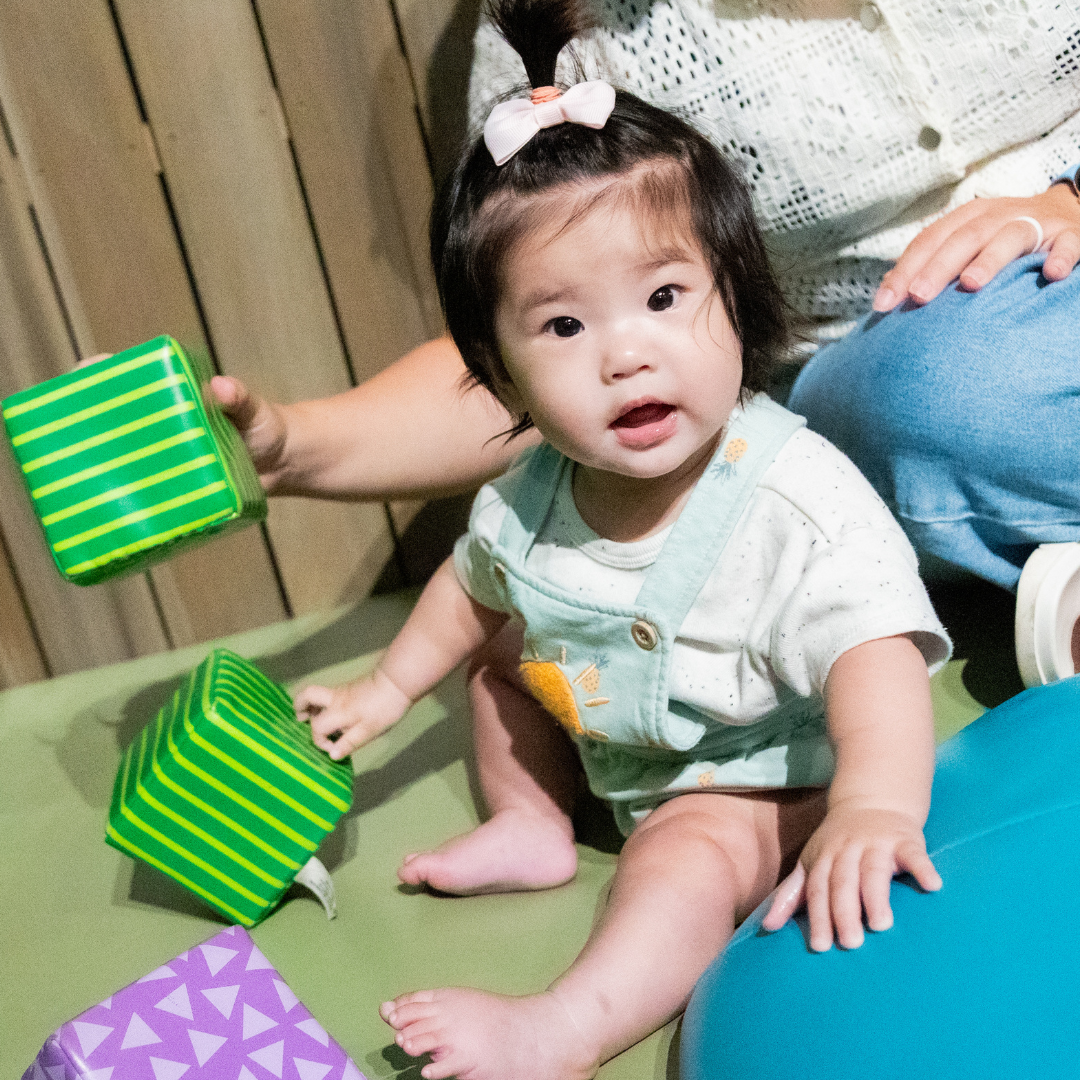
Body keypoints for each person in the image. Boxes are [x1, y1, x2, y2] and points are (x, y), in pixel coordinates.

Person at [290, 2, 951, 1077]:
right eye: (563, 326)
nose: (625, 356)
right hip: (617, 734)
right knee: (501, 664)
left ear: (736, 302)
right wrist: (385, 692)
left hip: (769, 771)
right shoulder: (535, 489)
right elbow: (471, 589)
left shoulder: (792, 499)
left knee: (684, 857)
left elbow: (874, 652)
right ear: (496, 373)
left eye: (662, 296)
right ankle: (534, 823)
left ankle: (566, 1025)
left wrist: (872, 806)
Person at [212, 0, 1080, 683]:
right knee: (937, 401)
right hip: (921, 383)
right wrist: (296, 450)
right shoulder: (573, 42)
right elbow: (543, 341)